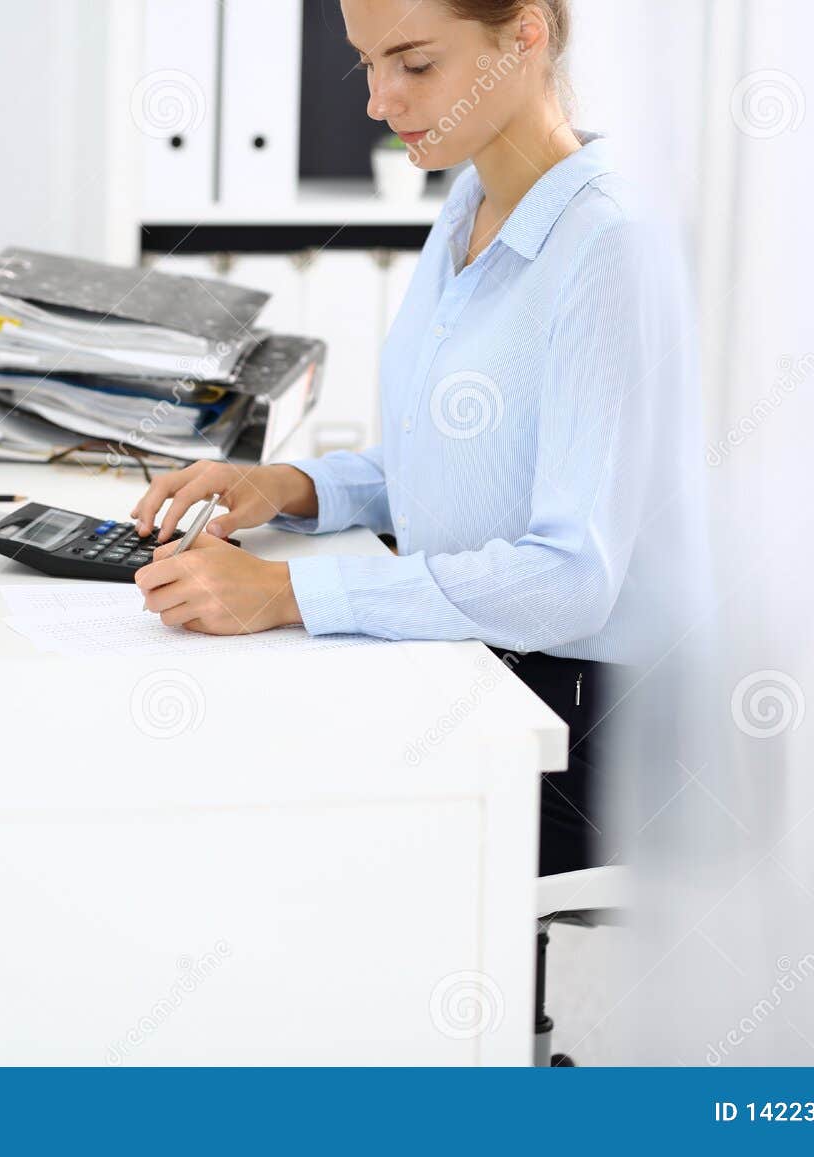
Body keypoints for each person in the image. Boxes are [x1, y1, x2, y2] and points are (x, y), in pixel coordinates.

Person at [129, 0, 702, 875]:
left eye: (415, 63)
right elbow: (454, 475)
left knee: (272, 826)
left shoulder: (608, 245)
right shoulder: (472, 196)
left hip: (590, 726)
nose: (379, 100)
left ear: (524, 36)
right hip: (477, 662)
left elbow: (571, 579)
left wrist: (287, 592)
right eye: (367, 64)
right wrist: (289, 486)